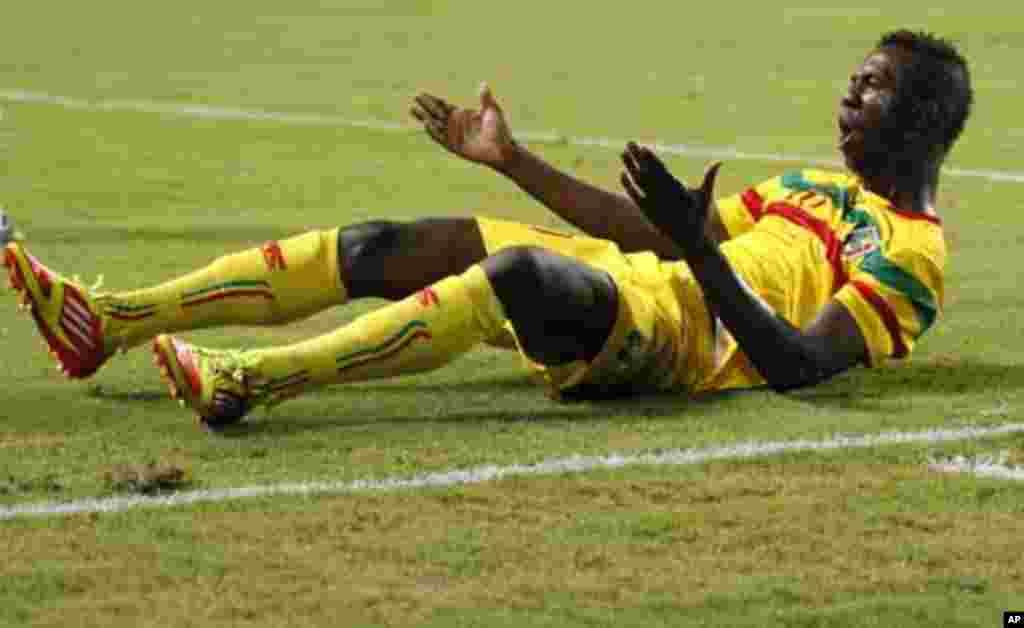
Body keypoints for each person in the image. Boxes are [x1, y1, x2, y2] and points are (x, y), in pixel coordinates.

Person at [3, 30, 972, 431]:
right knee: (392, 241)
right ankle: (111, 321)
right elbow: (645, 233)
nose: (848, 96)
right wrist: (512, 161)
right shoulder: (808, 187)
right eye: (852, 80)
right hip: (646, 280)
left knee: (515, 273)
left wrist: (696, 248)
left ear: (923, 116)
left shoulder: (913, 255)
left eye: (873, 87)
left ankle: (251, 379)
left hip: (682, 338)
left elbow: (799, 364)